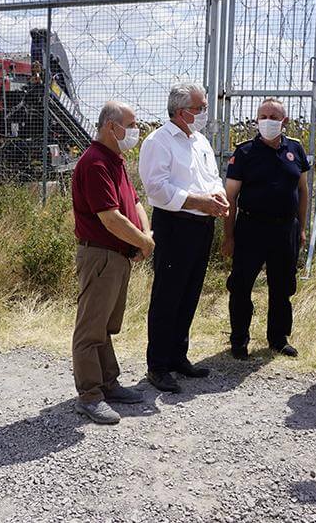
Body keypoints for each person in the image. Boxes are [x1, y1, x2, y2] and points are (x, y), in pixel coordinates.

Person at [139, 82, 229, 393]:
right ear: (181, 111)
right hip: (175, 224)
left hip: (202, 226)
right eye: (200, 108)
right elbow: (157, 188)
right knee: (168, 294)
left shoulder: (199, 140)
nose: (204, 113)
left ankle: (178, 356)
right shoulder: (158, 141)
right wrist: (198, 202)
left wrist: (217, 196)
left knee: (190, 292)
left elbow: (212, 176)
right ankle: (158, 365)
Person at [70, 101, 154, 424]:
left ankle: (108, 383)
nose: (135, 132)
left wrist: (144, 234)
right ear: (111, 127)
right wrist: (143, 241)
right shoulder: (94, 163)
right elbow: (110, 218)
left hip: (117, 257)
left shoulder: (114, 160)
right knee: (90, 328)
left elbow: (134, 203)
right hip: (101, 256)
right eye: (131, 126)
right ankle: (89, 395)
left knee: (104, 325)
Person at [220, 98, 308, 360]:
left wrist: (301, 228)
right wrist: (228, 236)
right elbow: (230, 197)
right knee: (241, 285)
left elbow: (303, 191)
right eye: (263, 116)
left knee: (283, 286)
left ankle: (278, 338)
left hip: (285, 230)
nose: (268, 120)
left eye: (274, 116)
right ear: (257, 120)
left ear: (285, 121)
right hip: (251, 229)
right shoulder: (244, 152)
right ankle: (239, 340)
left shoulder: (295, 149)